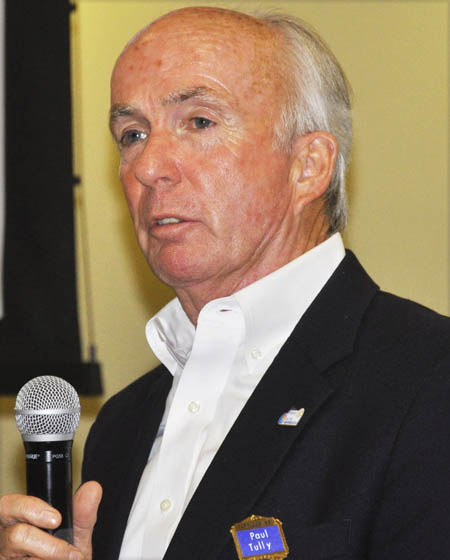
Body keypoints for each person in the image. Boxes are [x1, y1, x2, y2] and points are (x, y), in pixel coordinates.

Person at [1, 6, 450, 559]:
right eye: (132, 134)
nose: (148, 166)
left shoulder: (429, 382)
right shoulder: (120, 425)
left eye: (199, 122)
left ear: (309, 165)